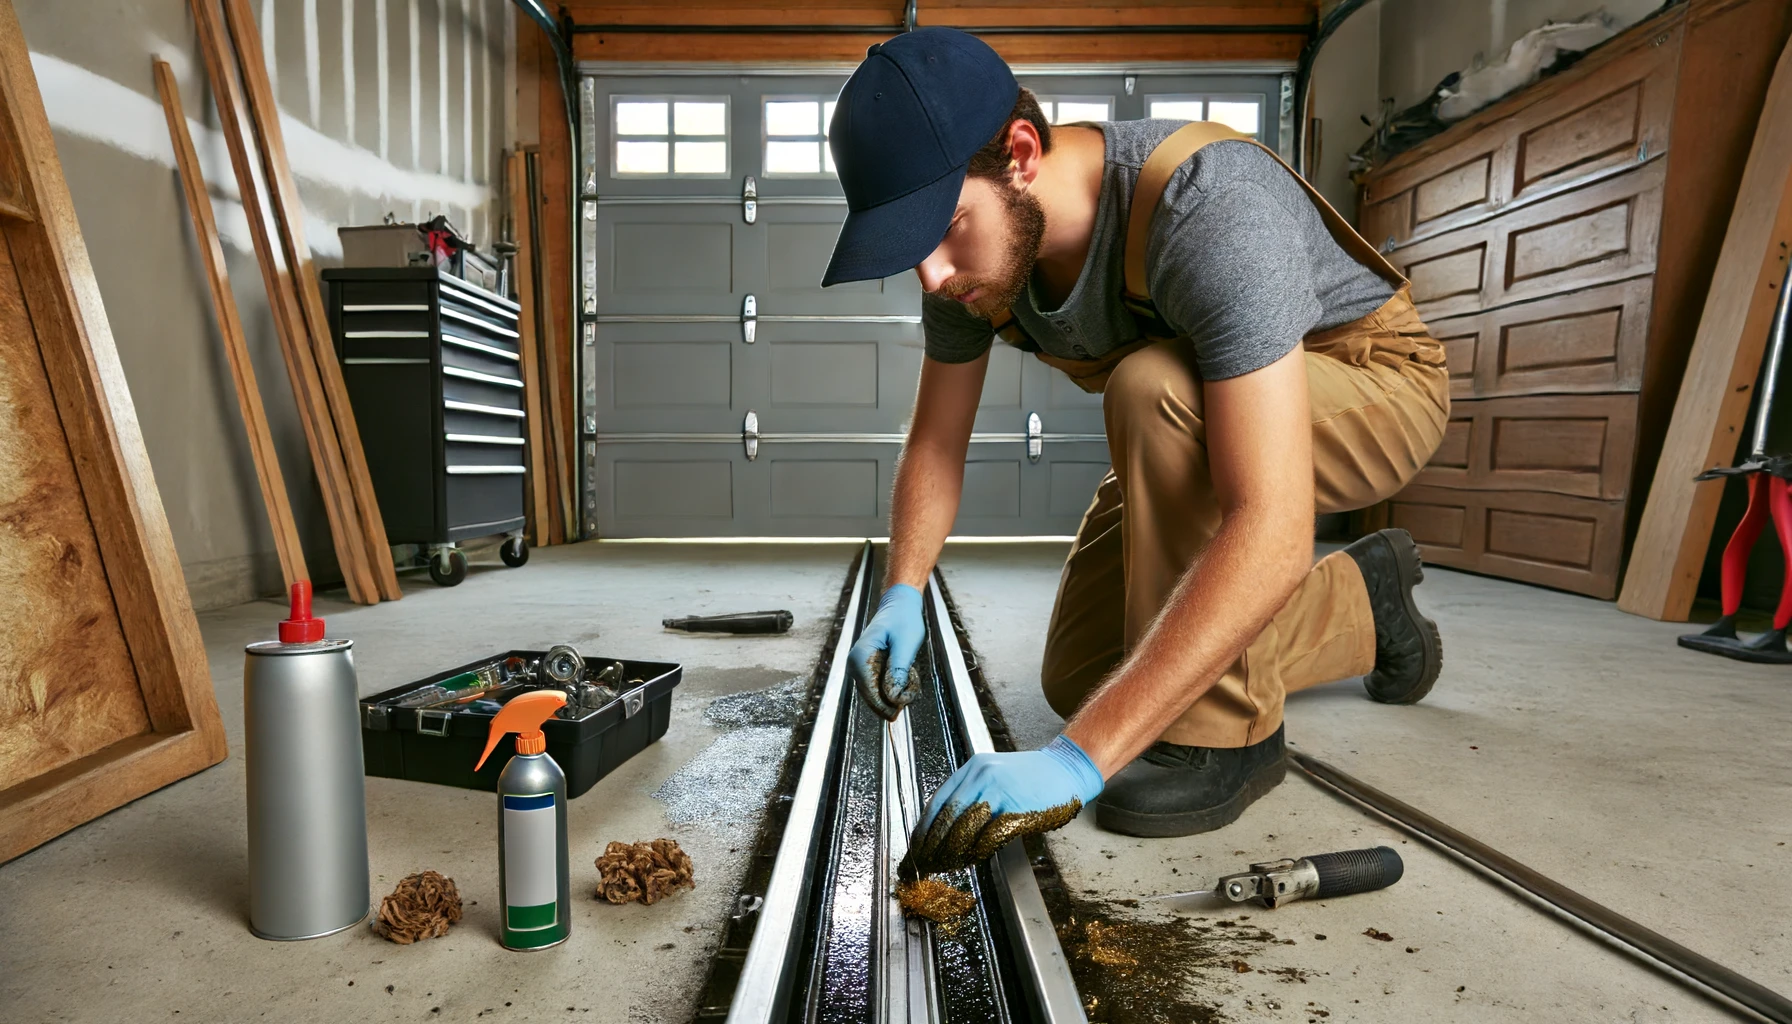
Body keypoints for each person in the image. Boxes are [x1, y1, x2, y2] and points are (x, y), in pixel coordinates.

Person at [822, 28, 1449, 874]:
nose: (933, 277)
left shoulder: (1205, 201)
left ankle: (1227, 744)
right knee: (1085, 674)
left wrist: (1082, 759)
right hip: (1202, 422)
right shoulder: (970, 268)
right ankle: (1367, 605)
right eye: (911, 249)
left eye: (946, 227)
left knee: (1151, 386)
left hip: (1372, 386)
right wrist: (904, 589)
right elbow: (936, 441)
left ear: (1020, 152)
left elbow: (1270, 519)